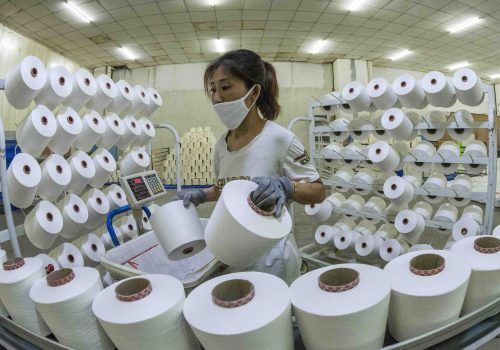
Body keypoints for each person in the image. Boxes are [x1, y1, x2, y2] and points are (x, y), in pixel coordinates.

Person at [176, 49, 325, 284]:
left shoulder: (280, 139)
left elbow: (318, 190)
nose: (216, 98)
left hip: (272, 260)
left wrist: (287, 187)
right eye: (213, 89)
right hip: (231, 254)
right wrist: (201, 195)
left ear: (254, 91)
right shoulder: (221, 146)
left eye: (225, 88)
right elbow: (227, 189)